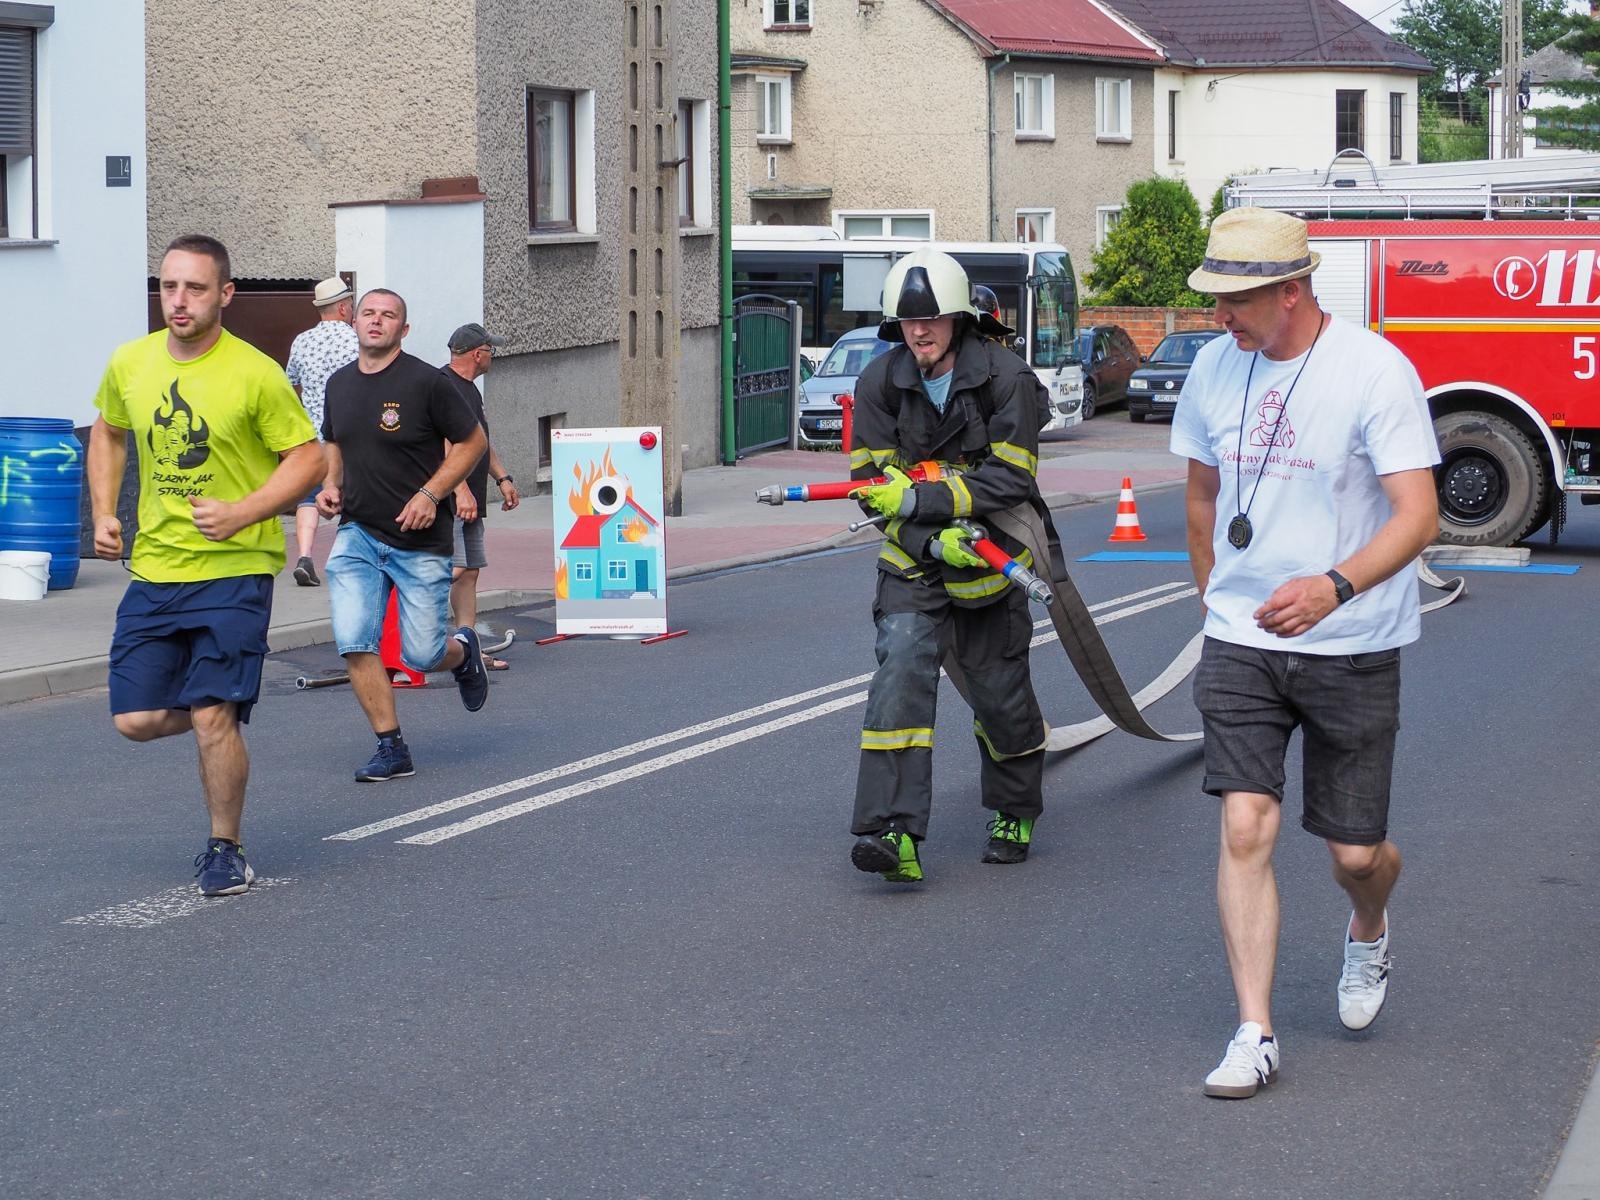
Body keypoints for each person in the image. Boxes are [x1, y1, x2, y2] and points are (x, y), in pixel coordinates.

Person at [1170, 208, 1440, 1099]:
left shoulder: (1373, 370)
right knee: (1245, 824)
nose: (1221, 318)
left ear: (1292, 291)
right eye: (1214, 300)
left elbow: (1419, 515)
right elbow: (1202, 495)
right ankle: (1255, 1030)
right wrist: (1215, 601)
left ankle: (1369, 927)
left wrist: (1335, 586)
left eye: (1237, 301)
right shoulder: (1214, 368)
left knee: (1355, 855)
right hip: (1241, 640)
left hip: (1350, 639)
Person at [87, 233, 324, 896]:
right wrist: (104, 511)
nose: (179, 300)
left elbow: (309, 457)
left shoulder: (254, 372)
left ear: (225, 294)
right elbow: (107, 430)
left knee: (214, 714)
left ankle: (226, 847)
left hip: (234, 569)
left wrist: (244, 512)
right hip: (156, 568)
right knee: (134, 721)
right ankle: (213, 707)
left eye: (195, 288)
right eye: (169, 286)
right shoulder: (130, 362)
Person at [847, 248, 1060, 884]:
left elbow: (1012, 478)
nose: (920, 331)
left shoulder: (1005, 377)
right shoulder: (879, 383)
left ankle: (1014, 810)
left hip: (994, 562)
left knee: (1000, 697)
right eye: (908, 321)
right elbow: (871, 488)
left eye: (933, 318)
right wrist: (930, 539)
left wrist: (925, 500)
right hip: (914, 564)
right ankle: (894, 832)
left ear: (960, 318)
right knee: (900, 675)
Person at [318, 288, 491, 782]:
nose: (376, 321)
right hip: (358, 533)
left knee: (422, 654)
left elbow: (473, 441)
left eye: (388, 315)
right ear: (354, 323)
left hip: (419, 540)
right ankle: (391, 747)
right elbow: (333, 439)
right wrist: (330, 485)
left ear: (404, 329)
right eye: (368, 313)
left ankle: (463, 651)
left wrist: (432, 494)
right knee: (355, 641)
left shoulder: (427, 383)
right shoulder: (339, 383)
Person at [441, 322, 520, 668]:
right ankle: (415, 639)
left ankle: (468, 647)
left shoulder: (470, 389)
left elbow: (478, 441)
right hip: (451, 500)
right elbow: (443, 443)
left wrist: (503, 478)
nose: (492, 357)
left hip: (471, 498)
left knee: (469, 571)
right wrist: (459, 490)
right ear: (478, 354)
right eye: (491, 350)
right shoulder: (444, 387)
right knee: (452, 569)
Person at [283, 276, 359, 586]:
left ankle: (304, 556)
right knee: (352, 497)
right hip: (349, 434)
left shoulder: (302, 341)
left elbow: (290, 383)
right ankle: (346, 560)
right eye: (351, 305)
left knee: (310, 497)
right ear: (342, 308)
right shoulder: (355, 340)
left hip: (313, 435)